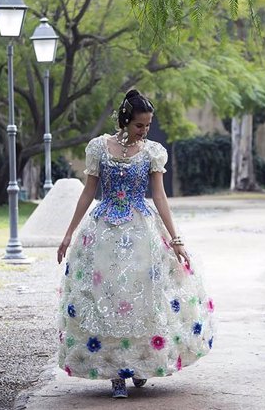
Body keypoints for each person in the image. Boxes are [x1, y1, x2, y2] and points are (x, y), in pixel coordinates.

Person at [56, 89, 214, 399]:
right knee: (109, 296)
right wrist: (68, 233)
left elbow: (159, 195)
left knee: (143, 295)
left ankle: (142, 363)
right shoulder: (99, 148)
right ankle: (116, 373)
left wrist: (175, 239)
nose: (144, 131)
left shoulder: (153, 151)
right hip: (103, 231)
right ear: (126, 121)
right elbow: (89, 192)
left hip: (142, 229)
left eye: (148, 125)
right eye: (140, 125)